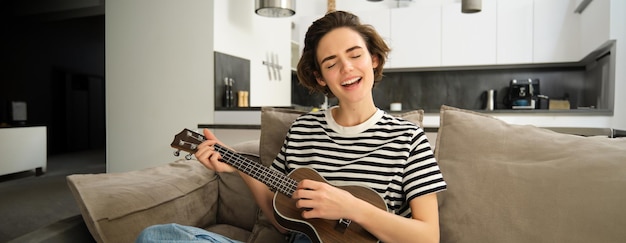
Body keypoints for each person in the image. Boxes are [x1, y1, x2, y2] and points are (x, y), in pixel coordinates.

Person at [136, 10, 447, 243]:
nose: (347, 69)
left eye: (355, 55)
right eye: (331, 63)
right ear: (320, 77)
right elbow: (285, 221)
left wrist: (350, 207)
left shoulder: (408, 138)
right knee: (158, 237)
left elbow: (428, 236)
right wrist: (237, 165)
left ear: (374, 59)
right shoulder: (302, 131)